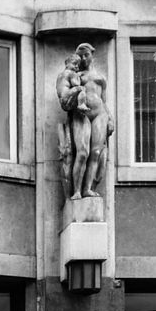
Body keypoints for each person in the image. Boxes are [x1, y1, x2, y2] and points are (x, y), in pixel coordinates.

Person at [57, 43, 114, 200]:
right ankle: (76, 191)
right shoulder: (76, 75)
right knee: (82, 153)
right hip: (81, 114)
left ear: (92, 55)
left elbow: (104, 101)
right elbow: (65, 94)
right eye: (80, 56)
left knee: (96, 152)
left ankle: (88, 189)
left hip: (100, 114)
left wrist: (111, 118)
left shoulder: (100, 78)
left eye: (86, 55)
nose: (83, 58)